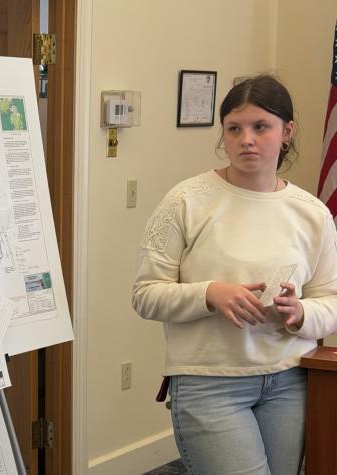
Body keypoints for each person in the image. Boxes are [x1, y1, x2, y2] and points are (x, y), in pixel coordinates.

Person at [132, 74, 337, 474]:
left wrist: (301, 314)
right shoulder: (186, 201)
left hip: (289, 381)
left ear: (287, 132)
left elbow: (331, 300)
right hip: (209, 383)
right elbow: (145, 294)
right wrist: (210, 294)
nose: (247, 139)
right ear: (223, 133)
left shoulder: (312, 213)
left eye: (261, 127)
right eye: (234, 128)